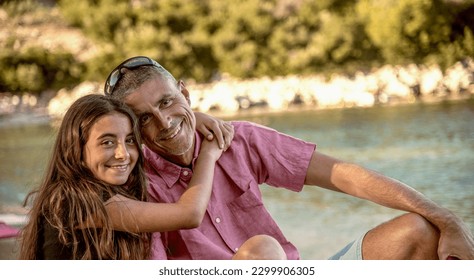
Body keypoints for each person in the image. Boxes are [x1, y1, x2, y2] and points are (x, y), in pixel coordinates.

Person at [104, 56, 474, 260]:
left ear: (185, 92)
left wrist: (446, 216)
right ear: (130, 127)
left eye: (167, 102)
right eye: (144, 119)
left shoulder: (240, 140)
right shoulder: (136, 185)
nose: (164, 123)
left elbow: (344, 175)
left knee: (419, 230)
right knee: (260, 252)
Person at [18, 94, 227, 259]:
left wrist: (188, 120)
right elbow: (189, 214)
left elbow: (150, 138)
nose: (123, 154)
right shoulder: (74, 200)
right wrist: (208, 154)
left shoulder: (103, 188)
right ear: (76, 151)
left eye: (129, 140)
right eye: (107, 142)